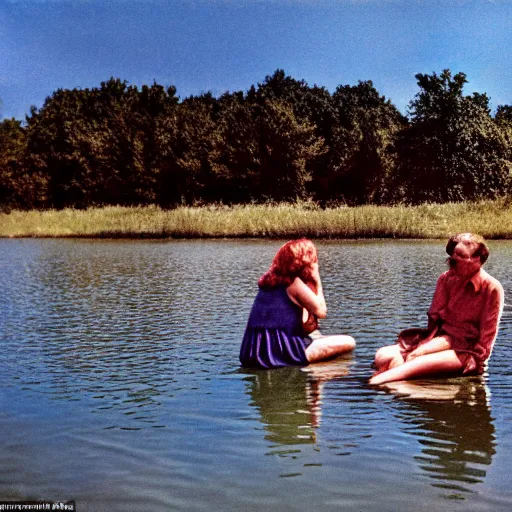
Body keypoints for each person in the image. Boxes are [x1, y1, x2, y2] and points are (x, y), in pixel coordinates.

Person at [369, 233, 504, 385]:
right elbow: (434, 318)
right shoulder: (446, 279)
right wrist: (425, 346)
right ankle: (395, 379)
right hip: (441, 339)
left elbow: (488, 334)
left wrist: (476, 358)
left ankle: (377, 381)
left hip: (466, 351)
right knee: (383, 355)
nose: (453, 260)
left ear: (477, 259)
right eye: (453, 254)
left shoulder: (491, 288)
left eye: (460, 256)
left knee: (414, 363)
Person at [239, 239, 355, 369]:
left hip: (251, 354)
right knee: (349, 342)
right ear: (305, 260)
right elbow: (321, 312)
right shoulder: (294, 284)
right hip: (281, 355)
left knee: (315, 337)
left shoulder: (268, 283)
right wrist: (316, 279)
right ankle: (316, 374)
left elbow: (307, 326)